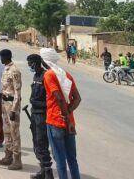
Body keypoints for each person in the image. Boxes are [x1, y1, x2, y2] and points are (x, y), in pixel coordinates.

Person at [41, 48, 82, 179]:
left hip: (55, 121)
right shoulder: (66, 75)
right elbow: (77, 98)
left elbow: (58, 98)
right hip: (68, 122)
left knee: (59, 158)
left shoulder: (49, 75)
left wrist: (65, 117)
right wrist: (68, 115)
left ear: (44, 60)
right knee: (72, 159)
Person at [0, 49, 22, 170]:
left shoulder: (14, 70)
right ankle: (8, 156)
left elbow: (17, 92)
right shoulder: (6, 68)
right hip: (4, 102)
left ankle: (17, 160)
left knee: (14, 132)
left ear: (6, 57)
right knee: (6, 130)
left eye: (1, 57)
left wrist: (14, 110)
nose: (0, 59)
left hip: (12, 104)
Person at [27, 54, 54, 179]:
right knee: (36, 142)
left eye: (30, 63)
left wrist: (38, 104)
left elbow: (50, 99)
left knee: (42, 142)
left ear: (37, 63)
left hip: (42, 115)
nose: (29, 65)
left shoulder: (45, 76)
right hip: (34, 113)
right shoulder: (35, 76)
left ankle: (48, 172)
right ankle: (43, 170)